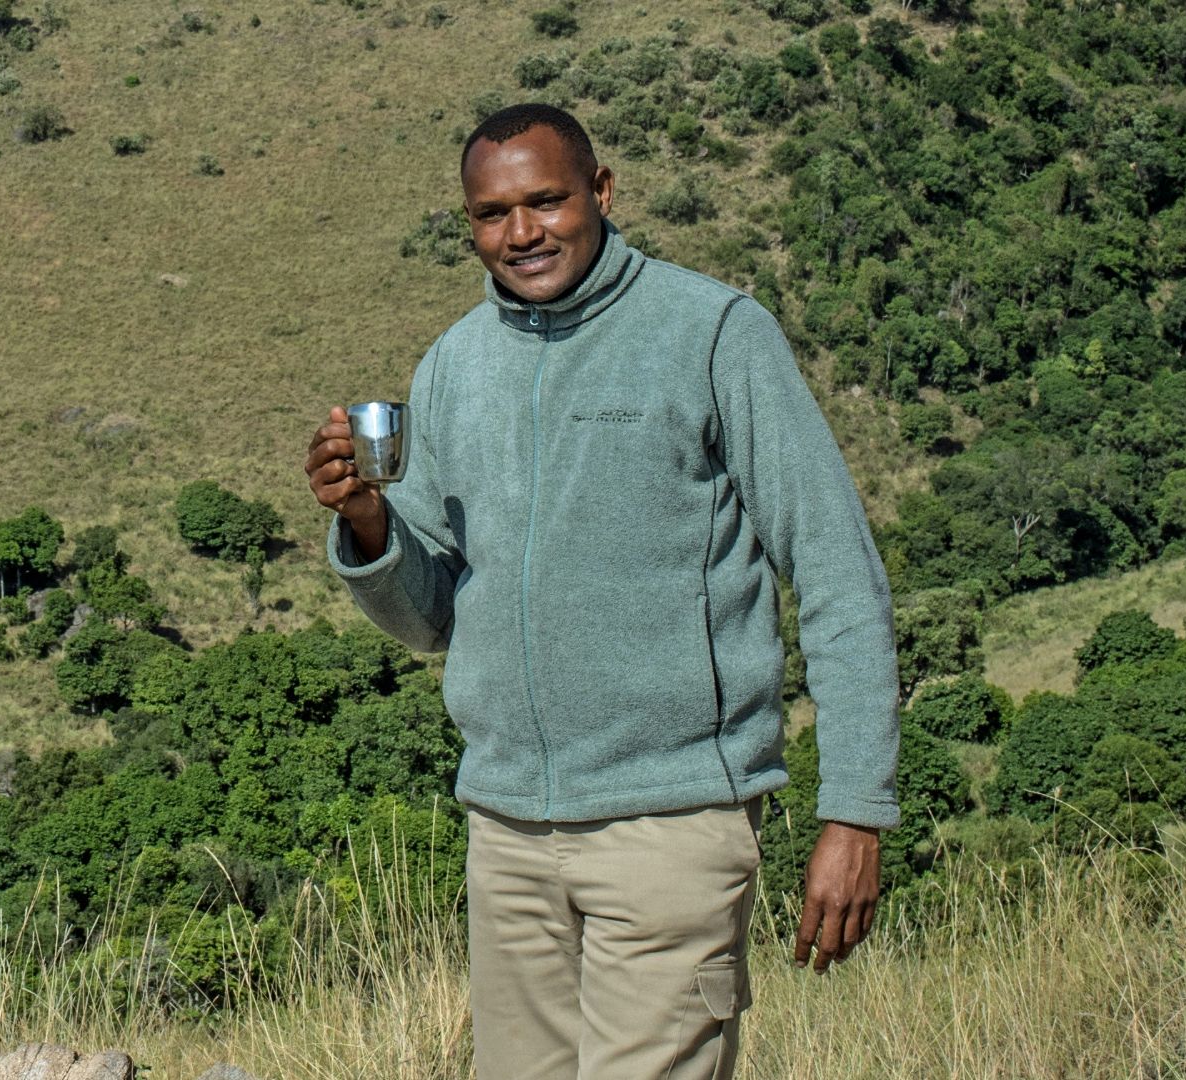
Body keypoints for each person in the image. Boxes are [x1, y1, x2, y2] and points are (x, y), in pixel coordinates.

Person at [302, 103, 899, 1079]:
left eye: (547, 201)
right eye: (495, 214)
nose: (523, 232)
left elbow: (834, 567)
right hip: (507, 839)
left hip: (672, 831)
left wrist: (856, 811)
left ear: (603, 192)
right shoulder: (455, 365)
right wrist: (366, 524)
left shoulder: (712, 334)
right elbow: (429, 618)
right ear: (469, 225)